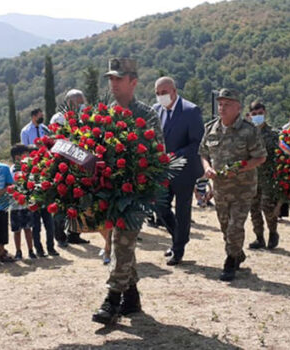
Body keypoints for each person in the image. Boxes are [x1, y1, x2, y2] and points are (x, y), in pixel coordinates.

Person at [92, 57, 163, 324]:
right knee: (124, 245)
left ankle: (111, 300)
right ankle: (131, 297)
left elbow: (159, 156)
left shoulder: (146, 115)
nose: (113, 83)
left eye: (118, 78)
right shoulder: (105, 114)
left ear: (133, 82)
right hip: (108, 192)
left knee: (122, 244)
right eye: (111, 78)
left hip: (134, 194)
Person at [199, 88, 266, 282]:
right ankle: (237, 253)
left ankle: (230, 262)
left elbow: (260, 157)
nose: (222, 107)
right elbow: (203, 153)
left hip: (243, 188)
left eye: (227, 104)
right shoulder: (211, 128)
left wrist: (241, 167)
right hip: (220, 188)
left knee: (235, 226)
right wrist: (207, 167)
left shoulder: (248, 130)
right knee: (224, 225)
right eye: (220, 104)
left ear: (238, 107)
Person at [153, 76, 205, 265]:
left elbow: (197, 143)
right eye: (157, 93)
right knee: (160, 206)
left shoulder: (191, 111)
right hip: (162, 170)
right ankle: (178, 238)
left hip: (184, 169)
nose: (161, 97)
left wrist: (174, 155)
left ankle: (178, 249)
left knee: (183, 210)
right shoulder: (155, 110)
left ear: (174, 91)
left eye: (164, 92)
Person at [50, 89, 90, 247]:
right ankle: (60, 236)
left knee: (78, 199)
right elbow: (55, 140)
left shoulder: (85, 116)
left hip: (81, 163)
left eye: (82, 102)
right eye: (77, 103)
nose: (81, 106)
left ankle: (74, 233)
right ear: (68, 103)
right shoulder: (58, 118)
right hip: (62, 163)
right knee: (61, 201)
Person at [246, 101, 280, 249]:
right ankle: (259, 237)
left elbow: (278, 156)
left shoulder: (273, 134)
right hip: (251, 177)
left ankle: (273, 233)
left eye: (260, 113)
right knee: (254, 208)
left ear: (265, 113)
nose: (257, 116)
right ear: (249, 115)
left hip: (268, 178)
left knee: (267, 207)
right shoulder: (247, 134)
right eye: (254, 114)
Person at [9, 143, 37, 260]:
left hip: (26, 204)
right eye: (25, 155)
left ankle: (31, 250)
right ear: (17, 157)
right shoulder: (12, 169)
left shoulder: (28, 167)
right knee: (17, 230)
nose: (28, 156)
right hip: (15, 205)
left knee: (28, 228)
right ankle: (18, 251)